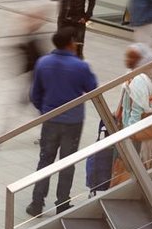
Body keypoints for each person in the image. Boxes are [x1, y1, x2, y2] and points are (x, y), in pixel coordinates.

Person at [26, 27, 99, 217]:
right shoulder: (80, 66)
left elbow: (35, 94)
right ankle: (62, 203)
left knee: (45, 160)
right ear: (70, 43)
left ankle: (36, 203)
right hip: (73, 121)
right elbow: (92, 88)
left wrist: (45, 110)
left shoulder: (43, 63)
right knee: (67, 162)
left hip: (50, 119)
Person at [116, 44, 152, 169]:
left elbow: (137, 110)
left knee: (133, 166)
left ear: (141, 62)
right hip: (131, 130)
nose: (127, 60)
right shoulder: (133, 75)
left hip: (134, 133)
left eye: (132, 58)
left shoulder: (138, 81)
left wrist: (129, 133)